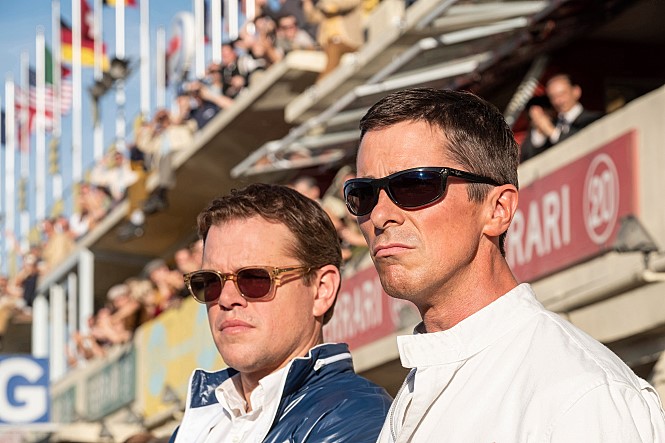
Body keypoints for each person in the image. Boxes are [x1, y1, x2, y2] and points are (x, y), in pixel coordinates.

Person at [343, 87, 665, 442]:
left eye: (415, 185)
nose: (380, 216)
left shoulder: (579, 396)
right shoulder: (420, 383)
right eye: (363, 194)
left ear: (497, 210)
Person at [170, 183, 391, 442]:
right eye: (210, 282)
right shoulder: (196, 424)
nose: (226, 299)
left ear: (321, 290)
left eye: (254, 278)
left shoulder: (353, 415)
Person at [521, 73, 602, 161]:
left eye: (562, 94)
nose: (558, 101)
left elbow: (583, 144)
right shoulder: (551, 125)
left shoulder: (594, 119)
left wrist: (551, 132)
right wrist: (539, 131)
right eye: (553, 97)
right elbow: (526, 156)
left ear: (576, 91)